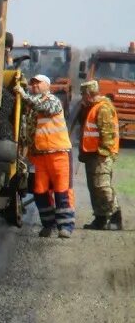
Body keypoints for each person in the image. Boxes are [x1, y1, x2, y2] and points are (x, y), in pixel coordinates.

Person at [13, 72, 75, 238]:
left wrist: (23, 94)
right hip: (40, 156)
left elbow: (40, 106)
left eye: (38, 83)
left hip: (59, 153)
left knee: (62, 191)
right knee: (40, 192)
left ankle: (66, 227)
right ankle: (49, 224)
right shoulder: (32, 107)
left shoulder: (52, 101)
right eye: (32, 84)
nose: (34, 86)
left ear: (47, 86)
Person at [76, 78, 122, 230]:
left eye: (83, 94)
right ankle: (100, 219)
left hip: (101, 155)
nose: (82, 97)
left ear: (89, 94)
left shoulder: (103, 108)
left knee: (102, 186)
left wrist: (105, 154)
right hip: (92, 154)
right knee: (94, 187)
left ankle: (115, 218)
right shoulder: (91, 107)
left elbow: (108, 134)